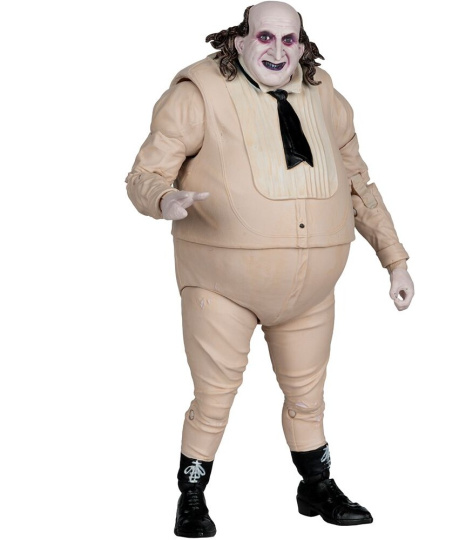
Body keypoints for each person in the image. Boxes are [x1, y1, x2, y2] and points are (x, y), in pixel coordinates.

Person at [126, 2, 414, 537]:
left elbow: (359, 184)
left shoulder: (324, 95)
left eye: (289, 40)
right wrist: (164, 199)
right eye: (264, 37)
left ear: (302, 46)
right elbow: (145, 172)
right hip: (222, 284)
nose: (277, 51)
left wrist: (394, 259)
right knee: (214, 397)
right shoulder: (198, 94)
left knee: (309, 397)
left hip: (312, 291)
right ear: (239, 40)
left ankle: (317, 488)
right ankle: (192, 497)